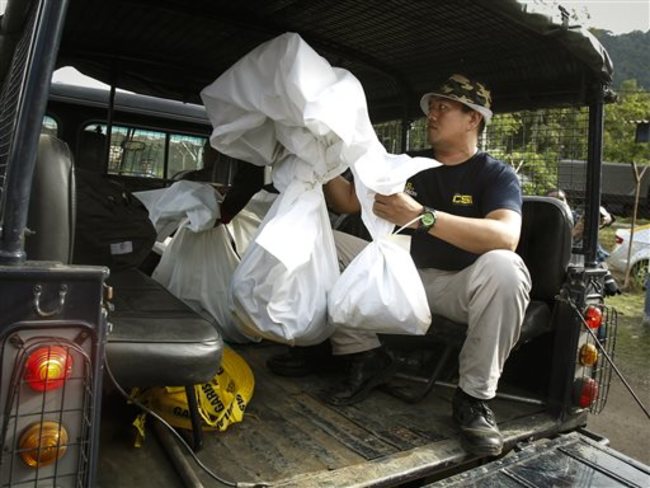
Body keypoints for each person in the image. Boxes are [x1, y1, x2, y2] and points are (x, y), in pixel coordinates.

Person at [270, 74, 532, 457]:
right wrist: (318, 156)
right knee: (320, 241)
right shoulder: (407, 164)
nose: (432, 114)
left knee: (506, 267)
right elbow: (346, 201)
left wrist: (423, 216)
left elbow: (505, 235)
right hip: (401, 276)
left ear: (473, 118)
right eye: (431, 107)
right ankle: (365, 355)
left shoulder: (494, 174)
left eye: (444, 107)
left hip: (459, 286)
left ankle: (473, 400)